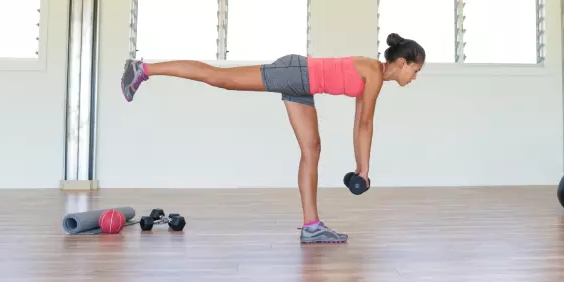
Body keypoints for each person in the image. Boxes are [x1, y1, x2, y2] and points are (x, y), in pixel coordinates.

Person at [120, 33, 425, 243]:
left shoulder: (372, 74)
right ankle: (143, 69)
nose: (414, 78)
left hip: (302, 83)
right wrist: (364, 171)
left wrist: (361, 168)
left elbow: (360, 121)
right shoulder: (373, 72)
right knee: (220, 77)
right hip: (296, 72)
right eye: (415, 70)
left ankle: (312, 227)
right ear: (402, 63)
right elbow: (366, 123)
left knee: (312, 148)